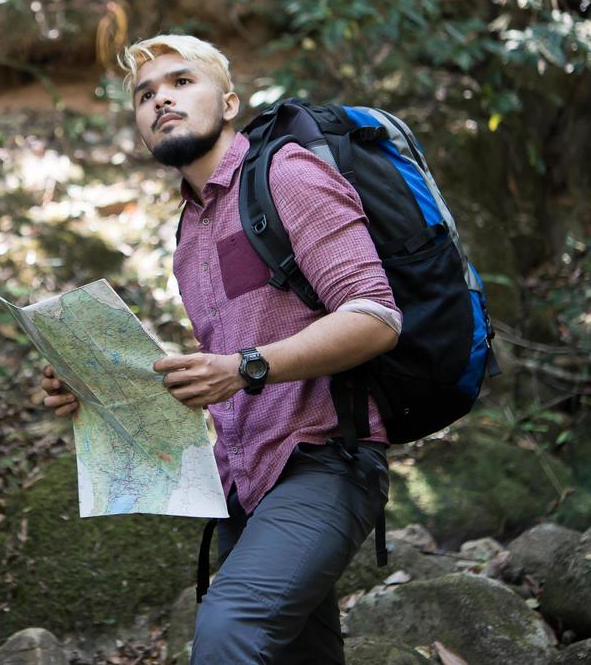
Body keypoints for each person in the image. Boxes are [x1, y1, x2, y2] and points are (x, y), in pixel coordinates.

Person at [39, 34, 401, 664]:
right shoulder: (188, 235)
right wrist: (94, 388)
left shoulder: (288, 175)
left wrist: (246, 367)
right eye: (145, 94)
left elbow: (375, 316)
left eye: (181, 82)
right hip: (245, 484)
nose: (161, 100)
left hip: (325, 462)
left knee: (227, 631)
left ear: (229, 101)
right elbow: (219, 375)